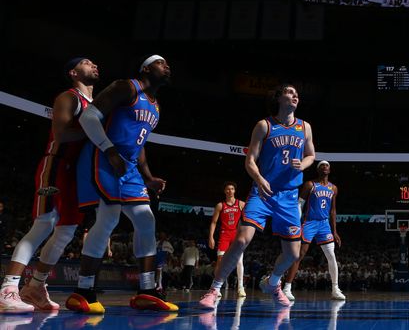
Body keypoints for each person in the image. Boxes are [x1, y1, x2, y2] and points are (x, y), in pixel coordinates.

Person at [66, 55, 176, 314]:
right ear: (146, 68)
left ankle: (147, 291)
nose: (167, 66)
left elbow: (139, 144)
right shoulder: (126, 87)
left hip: (128, 167)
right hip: (104, 157)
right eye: (162, 63)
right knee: (108, 219)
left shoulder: (156, 106)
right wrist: (109, 150)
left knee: (146, 221)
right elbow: (89, 118)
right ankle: (82, 291)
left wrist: (148, 177)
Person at [198, 84, 316, 309]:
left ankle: (272, 283)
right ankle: (214, 289)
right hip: (262, 192)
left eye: (296, 94)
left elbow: (312, 155)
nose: (295, 96)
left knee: (293, 254)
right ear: (279, 98)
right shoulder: (264, 126)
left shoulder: (305, 127)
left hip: (289, 196)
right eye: (289, 92)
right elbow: (250, 160)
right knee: (241, 240)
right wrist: (260, 179)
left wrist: (304, 164)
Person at [0, 58, 99, 313]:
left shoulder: (95, 105)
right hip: (55, 165)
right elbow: (62, 134)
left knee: (66, 232)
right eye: (87, 63)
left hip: (75, 174)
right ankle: (8, 288)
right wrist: (97, 134)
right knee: (45, 223)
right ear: (74, 72)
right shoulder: (69, 98)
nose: (94, 65)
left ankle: (35, 287)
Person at [281, 160, 346, 301]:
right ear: (318, 169)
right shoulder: (310, 185)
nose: (325, 167)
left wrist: (334, 231)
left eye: (327, 165)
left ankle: (335, 289)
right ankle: (287, 287)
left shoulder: (333, 188)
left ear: (329, 170)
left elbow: (333, 211)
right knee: (299, 254)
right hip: (309, 222)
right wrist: (296, 223)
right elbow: (299, 204)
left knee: (331, 256)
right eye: (322, 165)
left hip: (324, 225)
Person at [208, 182, 246, 297]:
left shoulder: (241, 204)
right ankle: (216, 287)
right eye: (228, 189)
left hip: (236, 235)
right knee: (220, 261)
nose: (230, 191)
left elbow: (248, 219)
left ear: (235, 191)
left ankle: (240, 287)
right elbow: (214, 222)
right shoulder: (220, 205)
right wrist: (211, 237)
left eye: (232, 189)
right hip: (224, 234)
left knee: (239, 261)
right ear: (225, 191)